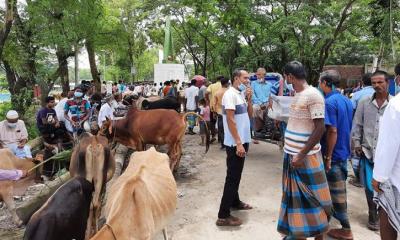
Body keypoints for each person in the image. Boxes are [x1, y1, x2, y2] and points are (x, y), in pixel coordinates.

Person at [277, 61, 332, 240]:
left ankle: (318, 235)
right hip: (292, 155)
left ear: (290, 77)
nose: (286, 79)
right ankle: (297, 231)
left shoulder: (313, 95)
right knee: (295, 200)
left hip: (306, 157)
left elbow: (320, 128)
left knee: (315, 199)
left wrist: (301, 154)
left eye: (286, 77)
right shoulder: (297, 93)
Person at [352, 70, 393, 231]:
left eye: (380, 82)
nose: (377, 85)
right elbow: (357, 125)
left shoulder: (395, 105)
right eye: (374, 82)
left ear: (387, 83)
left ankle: (386, 215)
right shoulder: (364, 102)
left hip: (389, 157)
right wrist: (356, 144)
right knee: (370, 187)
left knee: (387, 188)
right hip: (368, 153)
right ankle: (373, 215)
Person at [319, 70, 354, 239]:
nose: (320, 85)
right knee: (334, 189)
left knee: (337, 192)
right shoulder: (346, 100)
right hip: (343, 151)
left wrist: (328, 157)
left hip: (334, 153)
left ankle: (346, 228)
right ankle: (328, 219)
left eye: (320, 82)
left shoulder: (329, 102)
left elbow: (332, 130)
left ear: (325, 83)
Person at [216, 69, 253, 227]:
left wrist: (250, 99)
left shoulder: (240, 94)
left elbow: (248, 116)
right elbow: (230, 119)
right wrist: (238, 142)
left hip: (242, 140)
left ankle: (235, 202)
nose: (247, 80)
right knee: (232, 177)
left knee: (235, 174)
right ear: (236, 78)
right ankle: (223, 215)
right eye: (245, 78)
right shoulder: (230, 94)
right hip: (235, 143)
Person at [372, 91, 400, 240]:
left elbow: (388, 145)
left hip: (394, 179)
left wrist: (378, 177)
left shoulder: (396, 105)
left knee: (387, 212)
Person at [250, 68, 273, 143]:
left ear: (265, 75)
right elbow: (253, 95)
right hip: (257, 103)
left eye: (261, 74)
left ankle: (269, 130)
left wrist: (268, 104)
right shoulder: (253, 83)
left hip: (267, 103)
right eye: (257, 74)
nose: (259, 76)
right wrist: (260, 104)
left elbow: (271, 95)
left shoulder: (269, 85)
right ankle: (257, 131)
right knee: (254, 108)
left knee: (272, 109)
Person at [213, 76, 229, 150]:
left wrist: (214, 113)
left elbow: (214, 104)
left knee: (221, 129)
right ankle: (229, 144)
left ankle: (223, 145)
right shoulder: (229, 91)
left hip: (220, 112)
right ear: (226, 83)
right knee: (229, 128)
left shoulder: (217, 93)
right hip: (229, 112)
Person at [206, 76, 223, 143]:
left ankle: (213, 136)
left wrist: (208, 100)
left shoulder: (212, 85)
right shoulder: (224, 85)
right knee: (221, 122)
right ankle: (220, 138)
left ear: (216, 80)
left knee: (213, 122)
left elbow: (206, 93)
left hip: (213, 106)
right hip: (222, 107)